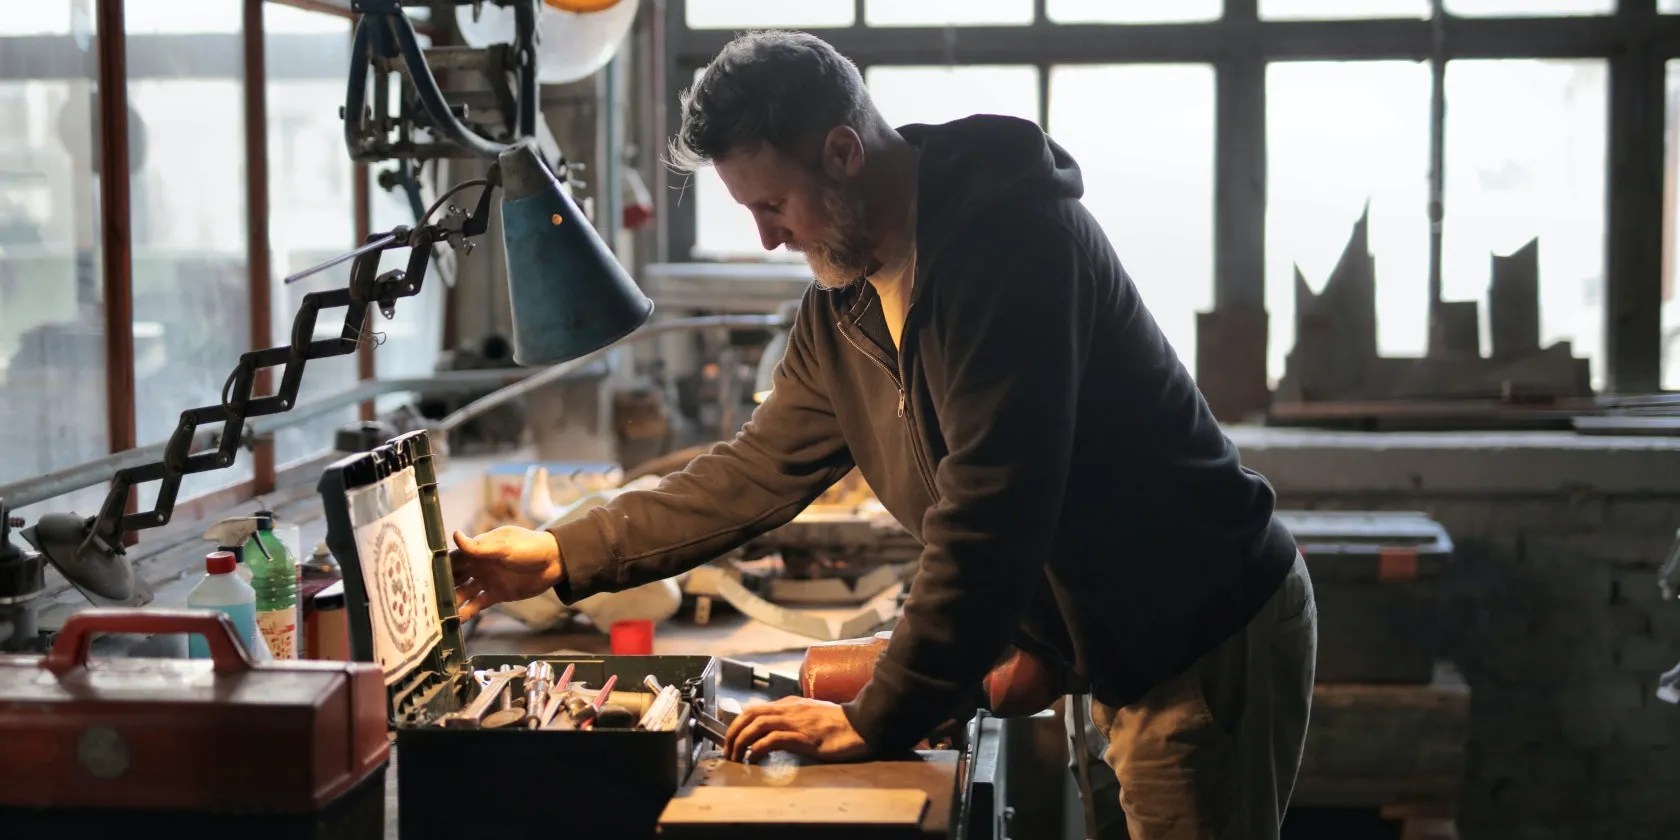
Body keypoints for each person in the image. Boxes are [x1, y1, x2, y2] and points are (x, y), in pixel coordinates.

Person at [448, 29, 1317, 840]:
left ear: (843, 152)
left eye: (775, 203)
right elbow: (757, 467)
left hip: (1198, 640)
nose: (767, 237)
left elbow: (990, 514)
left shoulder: (1012, 251)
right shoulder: (846, 296)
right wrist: (564, 553)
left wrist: (877, 718)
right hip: (1110, 642)